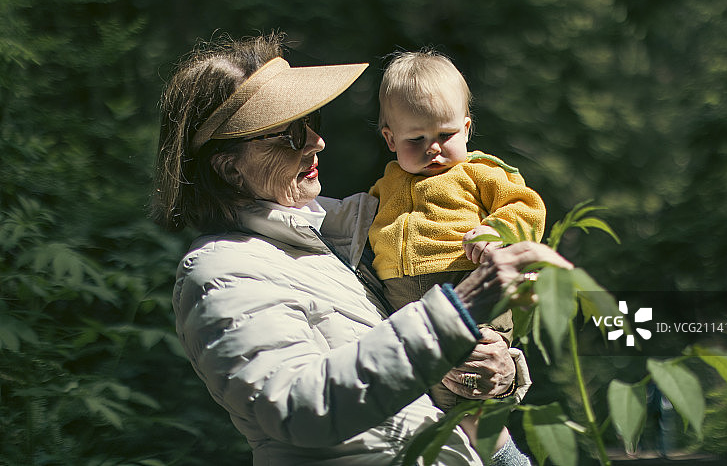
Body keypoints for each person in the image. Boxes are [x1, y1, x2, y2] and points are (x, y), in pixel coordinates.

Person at [151, 33, 573, 466]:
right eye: (291, 133)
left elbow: (409, 371)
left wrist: (500, 375)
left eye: (313, 122)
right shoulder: (223, 269)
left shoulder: (350, 235)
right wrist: (453, 314)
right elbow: (298, 409)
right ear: (231, 168)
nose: (317, 142)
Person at [369, 50, 547, 415]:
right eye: (415, 139)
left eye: (445, 134)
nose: (432, 147)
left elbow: (527, 207)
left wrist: (493, 232)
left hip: (467, 283)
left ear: (466, 129)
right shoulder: (384, 185)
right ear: (390, 139)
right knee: (423, 397)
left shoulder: (478, 171)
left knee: (468, 381)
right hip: (402, 298)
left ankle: (484, 445)